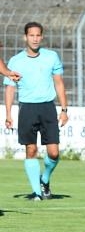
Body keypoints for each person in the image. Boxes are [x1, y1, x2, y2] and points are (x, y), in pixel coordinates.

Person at [4, 22, 69, 201]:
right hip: (27, 108)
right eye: (31, 35)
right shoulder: (16, 61)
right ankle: (37, 193)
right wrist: (8, 114)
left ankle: (45, 179)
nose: (35, 38)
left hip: (48, 107)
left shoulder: (51, 57)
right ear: (25, 37)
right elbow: (10, 89)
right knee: (31, 150)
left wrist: (64, 109)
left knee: (54, 153)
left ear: (42, 37)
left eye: (38, 35)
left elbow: (59, 83)